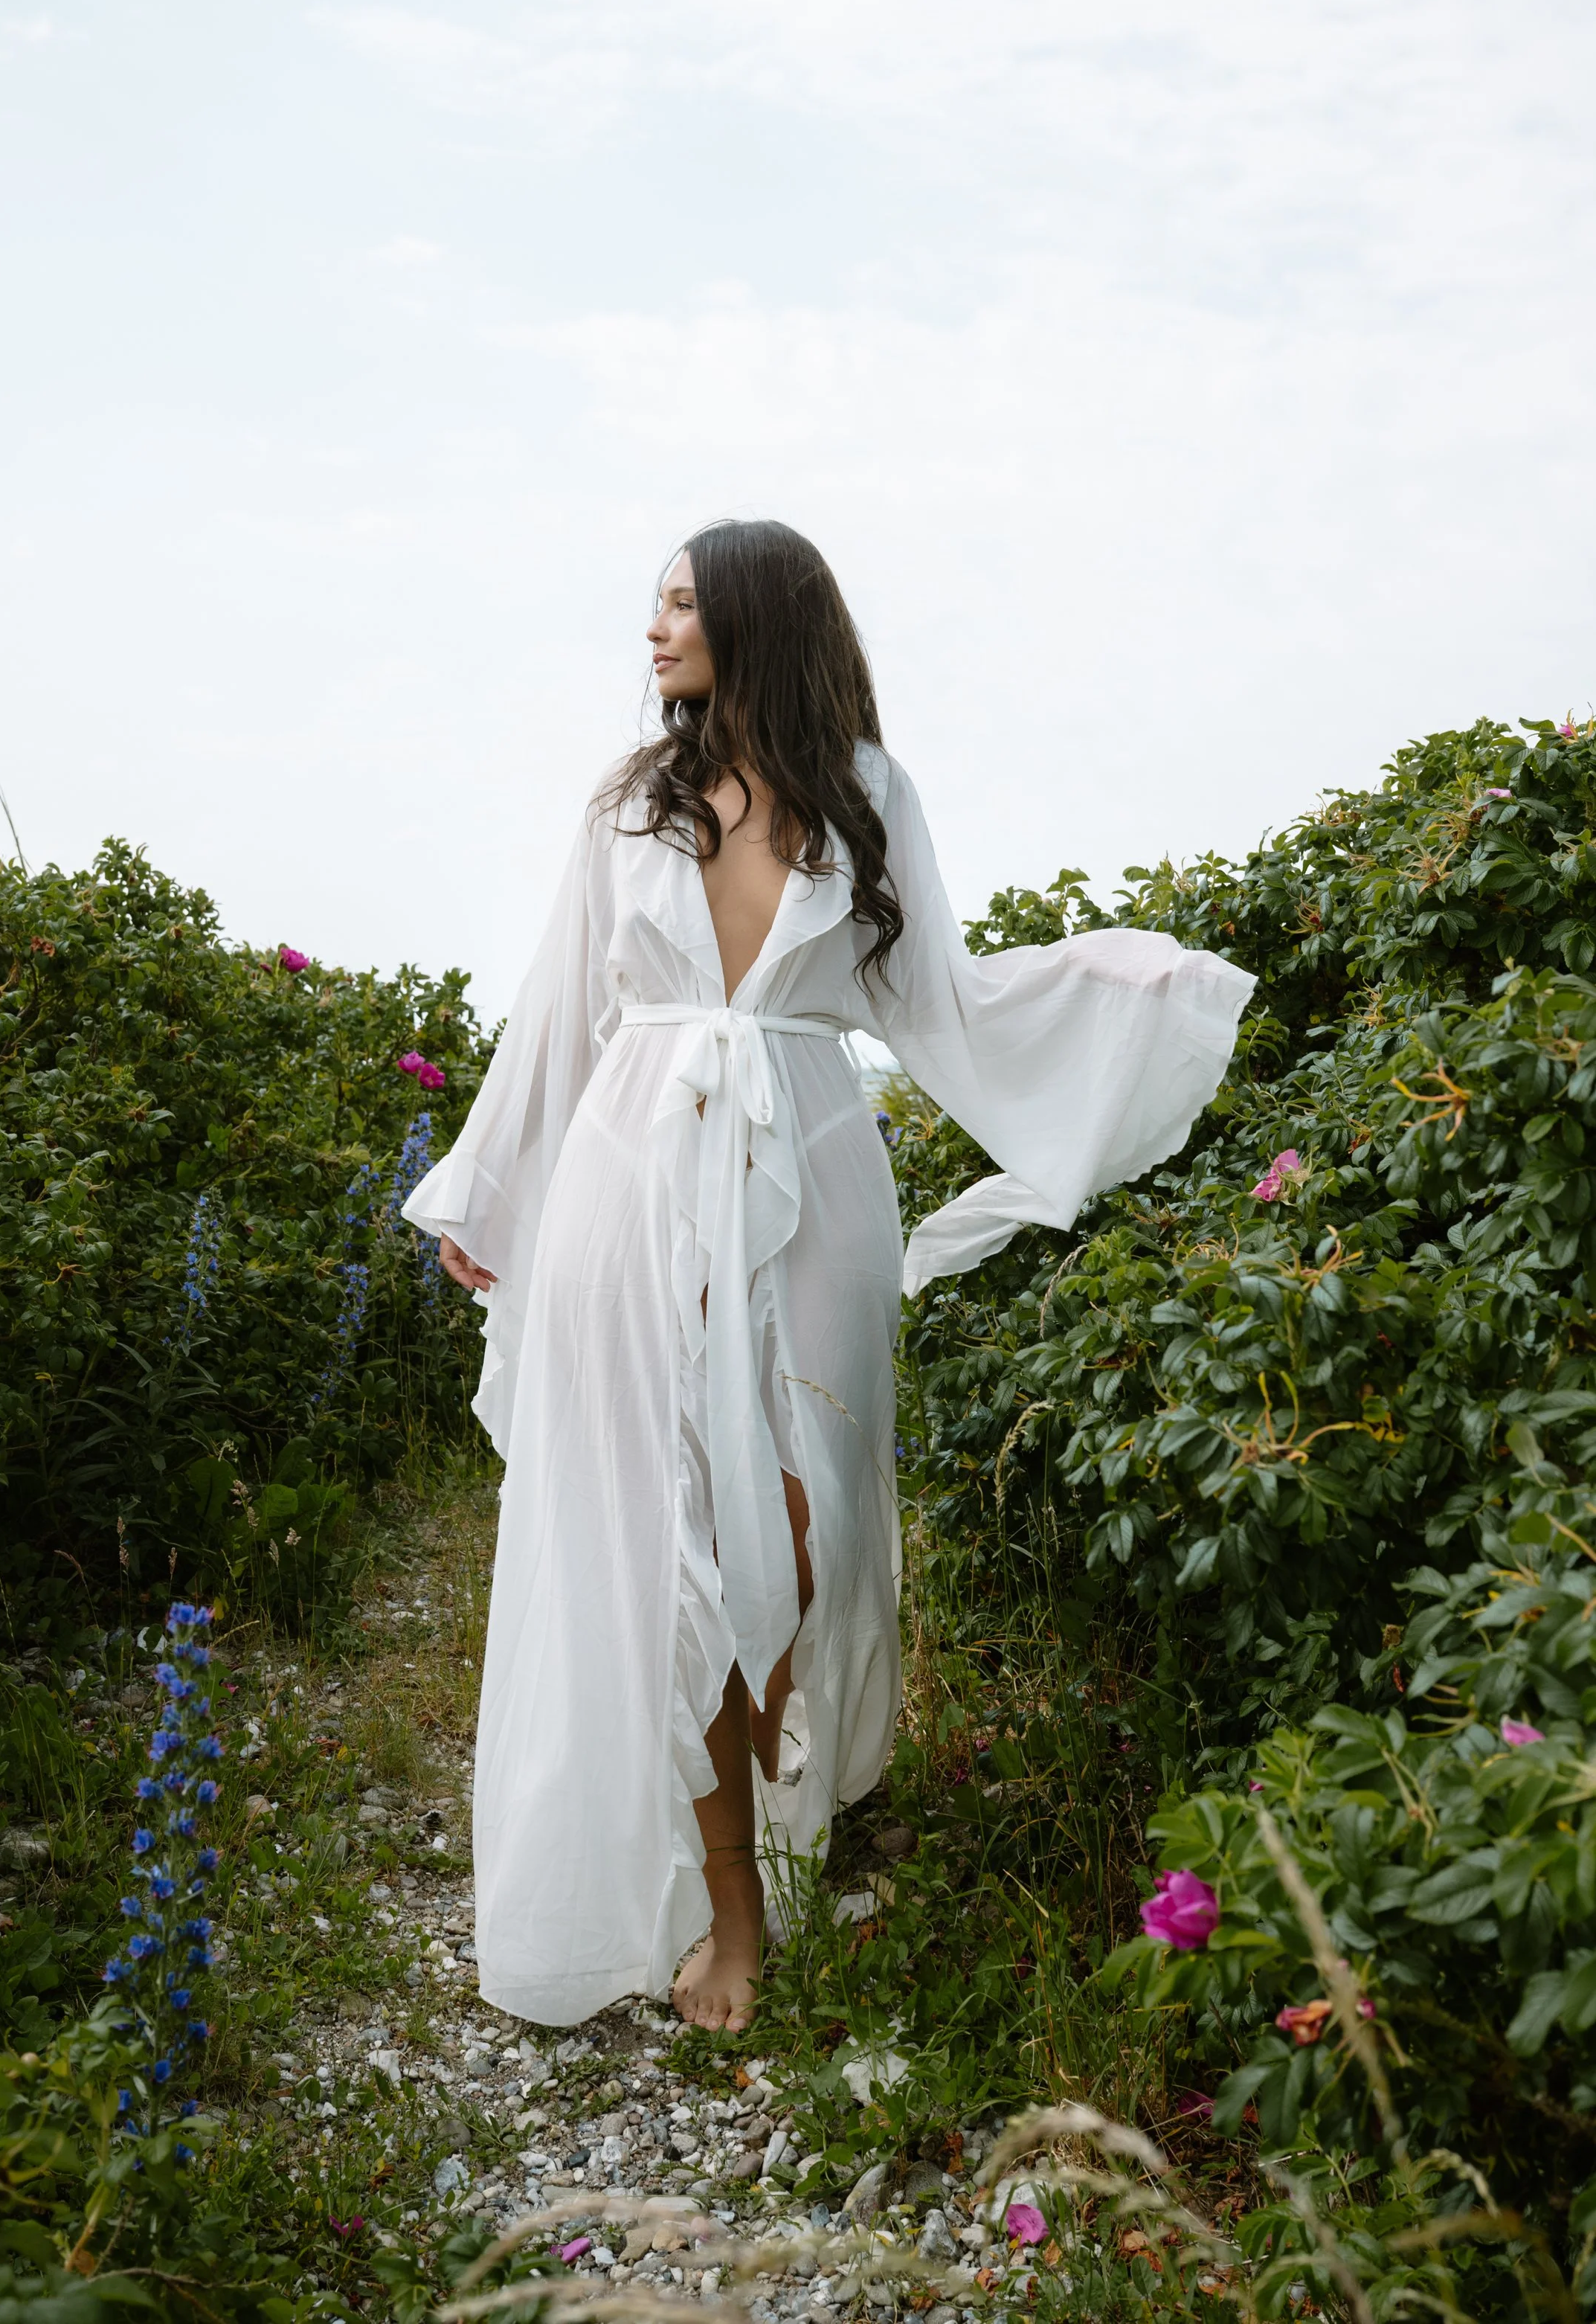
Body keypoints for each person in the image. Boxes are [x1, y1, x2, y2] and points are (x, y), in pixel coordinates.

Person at [402, 520, 1253, 2033]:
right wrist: (488, 1187)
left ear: (753, 617)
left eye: (681, 602)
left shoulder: (868, 792)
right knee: (666, 1540)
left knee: (805, 1538)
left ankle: (783, 1831)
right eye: (656, 602)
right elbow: (557, 1006)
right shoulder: (630, 802)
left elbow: (934, 999)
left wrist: (1110, 988)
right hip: (631, 1176)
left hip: (811, 1170)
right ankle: (731, 1904)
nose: (655, 627)